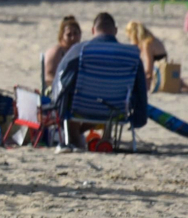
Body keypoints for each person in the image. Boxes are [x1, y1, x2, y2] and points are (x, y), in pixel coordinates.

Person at [52, 13, 148, 142]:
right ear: (115, 31)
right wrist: (139, 117)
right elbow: (141, 90)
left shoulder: (78, 51)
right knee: (110, 95)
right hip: (116, 111)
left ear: (93, 30)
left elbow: (60, 84)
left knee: (70, 96)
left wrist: (58, 107)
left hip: (82, 108)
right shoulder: (132, 55)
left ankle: (74, 140)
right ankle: (106, 139)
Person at [123, 20, 167, 86]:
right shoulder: (150, 39)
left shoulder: (147, 44)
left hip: (160, 74)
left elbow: (149, 69)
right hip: (162, 71)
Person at [43, 16, 82, 90]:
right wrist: (63, 84)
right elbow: (47, 77)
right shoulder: (57, 52)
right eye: (69, 35)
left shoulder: (81, 51)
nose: (73, 38)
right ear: (62, 36)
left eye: (75, 33)